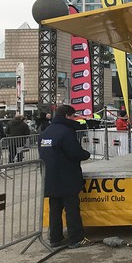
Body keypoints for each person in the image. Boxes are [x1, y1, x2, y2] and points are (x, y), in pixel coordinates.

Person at [39, 105, 93, 248]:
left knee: (55, 209)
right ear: (68, 116)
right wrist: (86, 154)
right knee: (72, 209)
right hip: (67, 176)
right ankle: (76, 238)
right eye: (74, 116)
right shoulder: (66, 132)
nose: (75, 119)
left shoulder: (45, 132)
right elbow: (75, 152)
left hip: (50, 176)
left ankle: (55, 238)